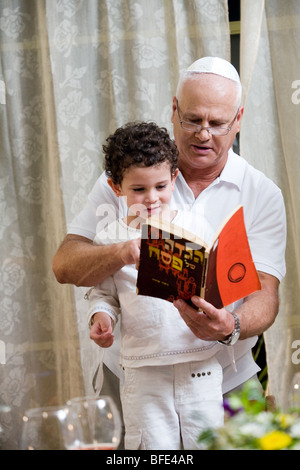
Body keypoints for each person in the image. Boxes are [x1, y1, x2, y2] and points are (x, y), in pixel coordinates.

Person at [53, 56, 286, 400]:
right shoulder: (127, 179)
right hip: (135, 377)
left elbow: (266, 291)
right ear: (174, 109)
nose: (203, 134)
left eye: (218, 123)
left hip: (226, 377)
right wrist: (123, 251)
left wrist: (230, 326)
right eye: (192, 120)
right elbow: (65, 264)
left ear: (238, 120)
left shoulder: (261, 193)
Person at [86, 121, 224, 449]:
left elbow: (216, 284)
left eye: (161, 186)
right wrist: (101, 318)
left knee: (209, 443)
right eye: (139, 189)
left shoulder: (196, 226)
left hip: (199, 363)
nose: (151, 198)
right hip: (143, 369)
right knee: (151, 448)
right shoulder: (110, 238)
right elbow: (102, 294)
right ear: (116, 187)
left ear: (174, 179)